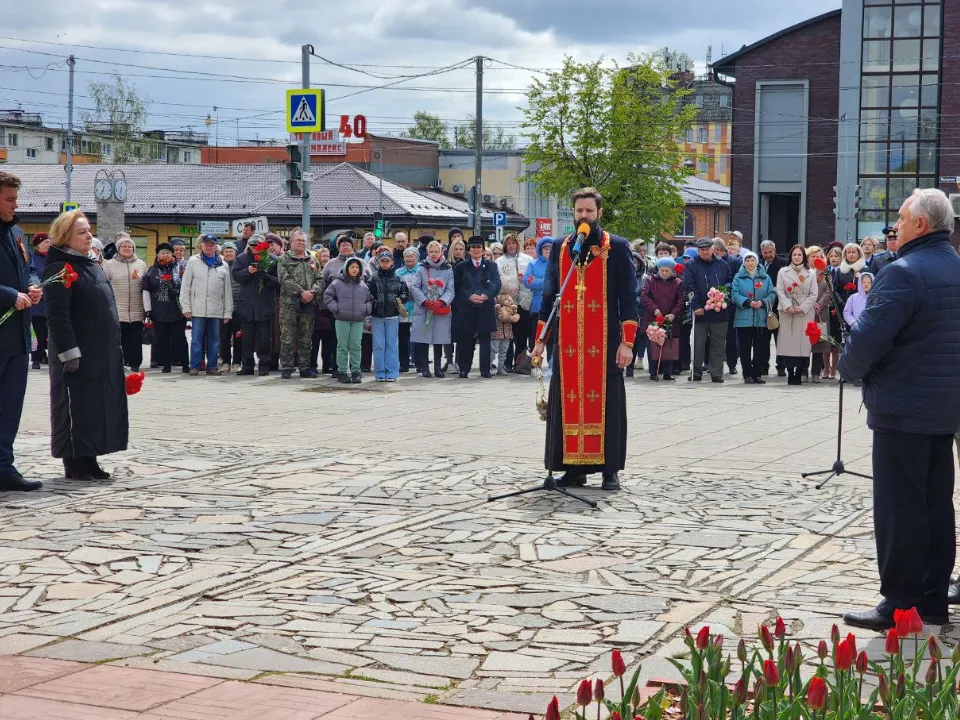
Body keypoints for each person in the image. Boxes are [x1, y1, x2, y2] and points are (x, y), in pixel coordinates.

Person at [839, 188, 960, 630]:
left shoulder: (902, 272)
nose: (896, 226)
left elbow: (867, 340)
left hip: (904, 408)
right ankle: (932, 599)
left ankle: (901, 602)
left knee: (900, 508)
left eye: (902, 218)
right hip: (944, 408)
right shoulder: (955, 267)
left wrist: (848, 368)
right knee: (936, 504)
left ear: (921, 225)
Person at [532, 187, 638, 492]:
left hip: (604, 343)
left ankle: (609, 470)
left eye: (589, 211)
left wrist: (627, 343)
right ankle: (573, 469)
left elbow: (629, 298)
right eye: (579, 210)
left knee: (608, 406)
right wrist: (541, 339)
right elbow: (549, 296)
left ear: (599, 213)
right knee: (567, 404)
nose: (584, 215)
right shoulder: (561, 247)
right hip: (567, 344)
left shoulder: (616, 247)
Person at [44, 210, 127, 481]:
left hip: (98, 352)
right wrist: (69, 352)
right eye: (81, 232)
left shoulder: (89, 264)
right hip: (77, 353)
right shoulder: (60, 268)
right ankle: (75, 462)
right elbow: (58, 314)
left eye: (89, 230)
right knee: (77, 407)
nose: (89, 235)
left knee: (94, 407)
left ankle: (90, 459)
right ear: (65, 236)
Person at [0, 171, 43, 491]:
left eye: (16, 198)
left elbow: (29, 268)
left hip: (17, 335)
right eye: (9, 199)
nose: (16, 205)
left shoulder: (16, 232)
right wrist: (8, 296)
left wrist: (33, 285)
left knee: (10, 406)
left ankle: (4, 468)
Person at [180, 233, 233, 376]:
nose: (209, 247)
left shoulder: (223, 264)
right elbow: (185, 286)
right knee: (196, 339)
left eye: (212, 244)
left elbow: (227, 290)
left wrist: (227, 312)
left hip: (216, 309)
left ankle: (212, 366)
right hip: (197, 308)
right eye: (206, 244)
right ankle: (195, 366)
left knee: (214, 340)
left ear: (216, 247)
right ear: (201, 246)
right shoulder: (193, 261)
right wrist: (186, 307)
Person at [683, 237, 733, 383]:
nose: (705, 252)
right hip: (701, 312)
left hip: (719, 310)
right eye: (702, 250)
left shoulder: (722, 264)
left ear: (713, 249)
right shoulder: (692, 265)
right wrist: (696, 306)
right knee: (698, 344)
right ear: (698, 251)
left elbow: (730, 281)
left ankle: (716, 373)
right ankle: (696, 372)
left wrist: (723, 294)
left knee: (718, 344)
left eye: (707, 249)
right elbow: (689, 286)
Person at [277, 228, 323, 379]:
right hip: (289, 304)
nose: (302, 243)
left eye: (304, 241)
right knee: (287, 337)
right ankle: (287, 367)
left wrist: (312, 292)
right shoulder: (284, 259)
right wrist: (301, 292)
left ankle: (304, 367)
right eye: (298, 240)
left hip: (308, 304)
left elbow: (320, 279)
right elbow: (284, 279)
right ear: (291, 242)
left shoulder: (313, 259)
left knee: (306, 337)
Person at [452, 236, 501, 379]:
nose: (476, 250)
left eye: (479, 247)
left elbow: (496, 283)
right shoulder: (462, 266)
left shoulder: (491, 266)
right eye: (473, 247)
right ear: (469, 250)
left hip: (485, 306)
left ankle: (485, 370)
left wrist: (486, 295)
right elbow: (457, 286)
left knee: (485, 340)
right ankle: (464, 369)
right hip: (467, 308)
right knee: (465, 340)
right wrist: (469, 296)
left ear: (483, 250)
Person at [232, 233, 280, 376]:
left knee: (264, 338)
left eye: (258, 246)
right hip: (246, 305)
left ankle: (264, 365)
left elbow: (279, 282)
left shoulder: (273, 260)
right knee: (247, 338)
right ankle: (247, 365)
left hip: (264, 305)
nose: (255, 249)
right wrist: (248, 271)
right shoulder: (241, 258)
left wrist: (266, 278)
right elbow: (236, 276)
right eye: (252, 246)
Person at [103, 234, 148, 372]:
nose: (127, 248)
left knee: (136, 338)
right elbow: (104, 286)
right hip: (118, 308)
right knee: (121, 338)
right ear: (118, 248)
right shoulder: (109, 264)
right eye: (124, 246)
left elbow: (146, 286)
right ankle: (121, 363)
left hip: (136, 308)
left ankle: (135, 364)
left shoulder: (141, 264)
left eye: (130, 246)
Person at [410, 240, 455, 378]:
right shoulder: (421, 267)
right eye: (431, 251)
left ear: (441, 252)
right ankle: (424, 367)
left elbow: (450, 289)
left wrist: (442, 301)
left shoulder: (447, 268)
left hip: (440, 309)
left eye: (436, 251)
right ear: (428, 252)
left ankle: (437, 368)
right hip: (424, 307)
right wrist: (425, 301)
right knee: (423, 338)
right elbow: (415, 287)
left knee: (439, 338)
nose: (434, 254)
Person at [774, 244, 818, 386]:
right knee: (788, 342)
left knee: (803, 344)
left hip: (804, 312)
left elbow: (813, 294)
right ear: (790, 256)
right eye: (794, 255)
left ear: (804, 257)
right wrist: (787, 306)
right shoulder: (783, 272)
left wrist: (802, 307)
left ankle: (800, 372)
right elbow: (780, 291)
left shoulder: (811, 273)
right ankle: (790, 372)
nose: (797, 257)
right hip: (788, 311)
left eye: (800, 255)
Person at [142, 243, 188, 373]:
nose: (165, 255)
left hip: (178, 310)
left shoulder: (180, 268)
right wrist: (148, 310)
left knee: (180, 338)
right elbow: (146, 290)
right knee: (162, 340)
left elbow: (187, 286)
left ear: (172, 254)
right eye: (162, 253)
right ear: (158, 255)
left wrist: (178, 291)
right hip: (159, 310)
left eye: (168, 253)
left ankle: (185, 363)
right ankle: (166, 365)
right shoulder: (152, 271)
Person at [324, 256, 371, 384]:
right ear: (346, 268)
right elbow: (327, 296)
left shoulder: (363, 285)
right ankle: (342, 372)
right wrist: (336, 308)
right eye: (352, 267)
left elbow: (368, 300)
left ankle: (356, 371)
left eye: (357, 267)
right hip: (342, 319)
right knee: (342, 346)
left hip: (358, 320)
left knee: (356, 346)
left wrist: (366, 309)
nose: (355, 269)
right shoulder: (337, 283)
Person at [731, 251, 774, 384]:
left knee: (760, 348)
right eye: (747, 260)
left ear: (757, 262)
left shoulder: (765, 278)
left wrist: (763, 302)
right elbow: (734, 294)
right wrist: (747, 302)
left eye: (752, 260)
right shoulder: (738, 277)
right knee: (745, 348)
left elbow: (772, 294)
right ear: (744, 263)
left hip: (761, 318)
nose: (750, 263)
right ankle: (747, 374)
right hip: (743, 319)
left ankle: (757, 373)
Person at [368, 245, 409, 382]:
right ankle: (380, 372)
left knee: (392, 344)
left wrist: (398, 301)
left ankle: (392, 372)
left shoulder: (398, 278)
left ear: (392, 262)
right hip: (377, 315)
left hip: (392, 315)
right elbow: (368, 294)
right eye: (382, 261)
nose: (385, 263)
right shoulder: (373, 278)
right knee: (378, 345)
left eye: (387, 261)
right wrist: (374, 303)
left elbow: (405, 293)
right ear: (378, 262)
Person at [640, 257, 684, 381]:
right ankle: (653, 372)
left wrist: (673, 314)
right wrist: (654, 309)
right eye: (662, 270)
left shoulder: (677, 282)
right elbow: (645, 297)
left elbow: (681, 300)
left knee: (668, 343)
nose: (664, 273)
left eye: (667, 271)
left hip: (669, 319)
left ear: (672, 271)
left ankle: (667, 372)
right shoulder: (651, 280)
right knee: (653, 343)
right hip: (653, 317)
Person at [496, 233, 531, 372]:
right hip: (508, 303)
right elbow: (499, 279)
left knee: (522, 335)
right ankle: (507, 363)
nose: (511, 246)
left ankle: (520, 363)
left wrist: (526, 280)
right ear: (505, 245)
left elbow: (531, 277)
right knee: (508, 335)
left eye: (514, 243)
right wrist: (507, 289)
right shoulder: (500, 261)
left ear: (518, 244)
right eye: (509, 243)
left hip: (524, 301)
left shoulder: (527, 259)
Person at [523, 237, 553, 374]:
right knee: (536, 338)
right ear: (540, 250)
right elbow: (527, 281)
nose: (548, 251)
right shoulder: (533, 264)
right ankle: (535, 365)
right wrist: (546, 282)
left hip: (554, 308)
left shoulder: (557, 263)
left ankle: (552, 364)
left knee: (552, 339)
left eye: (550, 249)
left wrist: (539, 281)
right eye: (545, 249)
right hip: (537, 307)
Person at [759, 240, 786, 376]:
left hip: (778, 307)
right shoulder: (758, 264)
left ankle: (781, 366)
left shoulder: (783, 264)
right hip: (762, 307)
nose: (768, 255)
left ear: (774, 251)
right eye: (765, 252)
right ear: (761, 252)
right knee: (763, 340)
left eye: (770, 252)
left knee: (779, 339)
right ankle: (763, 367)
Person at [219, 241, 242, 373]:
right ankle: (226, 362)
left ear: (235, 253)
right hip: (222, 308)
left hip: (238, 306)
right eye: (226, 251)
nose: (228, 253)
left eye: (231, 251)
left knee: (238, 336)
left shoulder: (239, 265)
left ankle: (237, 362)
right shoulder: (219, 266)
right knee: (224, 337)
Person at [395, 247, 420, 373]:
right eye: (407, 256)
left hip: (418, 308)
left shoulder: (421, 270)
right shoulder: (398, 272)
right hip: (403, 309)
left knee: (418, 337)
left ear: (417, 258)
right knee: (403, 337)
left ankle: (420, 363)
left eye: (412, 256)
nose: (409, 258)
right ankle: (404, 364)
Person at [29, 232, 51, 370]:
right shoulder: (33, 259)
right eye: (46, 242)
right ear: (38, 245)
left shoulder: (52, 258)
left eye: (50, 242)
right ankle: (36, 358)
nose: (49, 244)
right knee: (37, 331)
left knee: (48, 331)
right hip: (37, 302)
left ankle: (45, 355)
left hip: (50, 300)